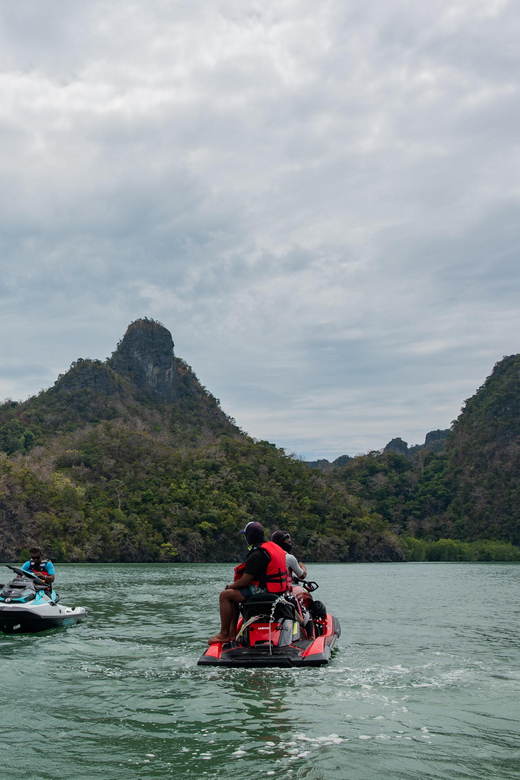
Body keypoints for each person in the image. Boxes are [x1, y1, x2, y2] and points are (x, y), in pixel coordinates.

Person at [208, 522, 289, 645]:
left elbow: (244, 581)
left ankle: (224, 634)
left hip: (264, 590)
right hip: (278, 590)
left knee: (225, 595)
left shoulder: (258, 554)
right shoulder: (273, 547)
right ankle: (231, 634)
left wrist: (229, 586)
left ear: (249, 536)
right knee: (232, 596)